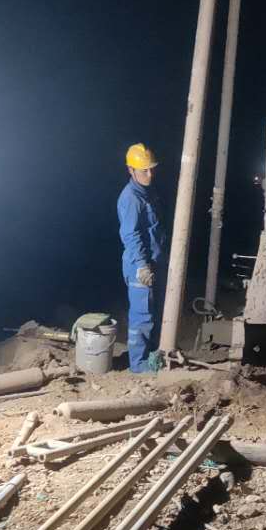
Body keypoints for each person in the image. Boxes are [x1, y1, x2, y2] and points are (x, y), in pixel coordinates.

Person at [117, 143, 165, 374]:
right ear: (131, 170)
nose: (150, 174)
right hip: (140, 266)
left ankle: (152, 356)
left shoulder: (148, 193)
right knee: (142, 315)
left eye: (151, 169)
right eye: (144, 170)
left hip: (153, 262)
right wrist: (142, 266)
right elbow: (131, 235)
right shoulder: (130, 198)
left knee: (154, 313)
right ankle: (138, 364)